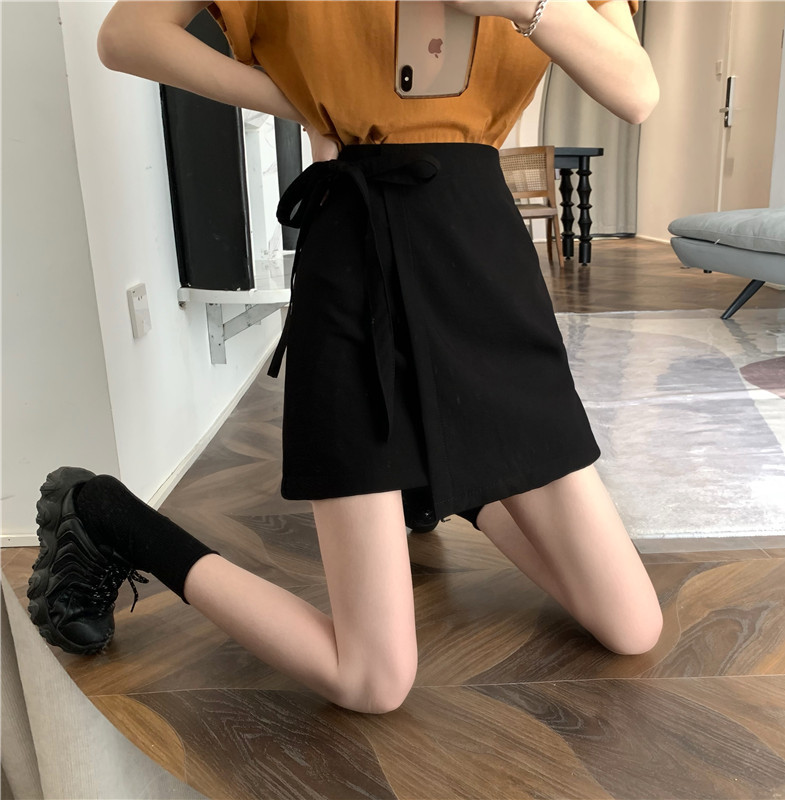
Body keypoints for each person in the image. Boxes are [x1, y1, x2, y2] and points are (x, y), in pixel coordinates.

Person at [27, 0, 663, 716]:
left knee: (633, 626)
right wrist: (295, 102)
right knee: (373, 681)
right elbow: (126, 36)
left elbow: (636, 92)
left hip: (484, 257)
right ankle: (107, 515)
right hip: (355, 256)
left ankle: (446, 482)